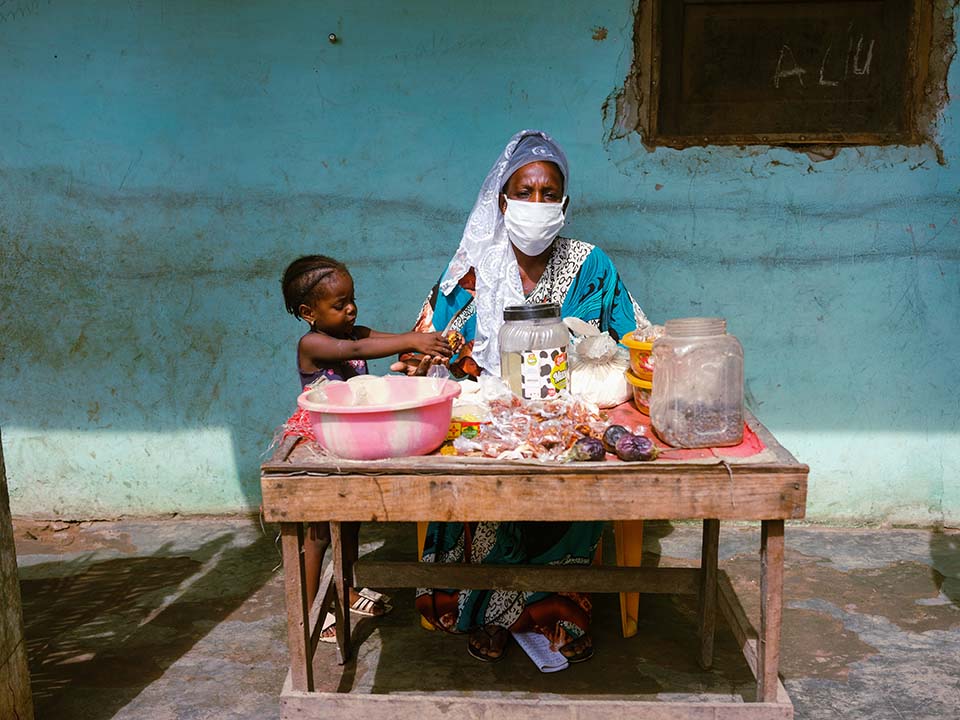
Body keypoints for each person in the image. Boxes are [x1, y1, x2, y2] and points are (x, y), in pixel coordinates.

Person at [391, 129, 652, 663]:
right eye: (524, 192)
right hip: (490, 414)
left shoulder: (590, 263)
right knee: (485, 479)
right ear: (502, 200)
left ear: (564, 203)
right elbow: (431, 343)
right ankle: (499, 610)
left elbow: (635, 336)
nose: (536, 203)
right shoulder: (473, 269)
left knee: (576, 479)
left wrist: (654, 362)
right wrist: (426, 360)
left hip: (569, 414)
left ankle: (541, 610)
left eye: (548, 192)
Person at [280, 254, 454, 634]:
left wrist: (416, 345)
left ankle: (347, 589)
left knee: (351, 523)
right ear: (309, 311)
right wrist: (412, 340)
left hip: (352, 439)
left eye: (352, 298)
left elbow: (377, 341)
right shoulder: (312, 343)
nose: (351, 309)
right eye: (339, 305)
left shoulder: (352, 331)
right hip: (322, 441)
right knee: (318, 535)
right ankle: (310, 614)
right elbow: (357, 353)